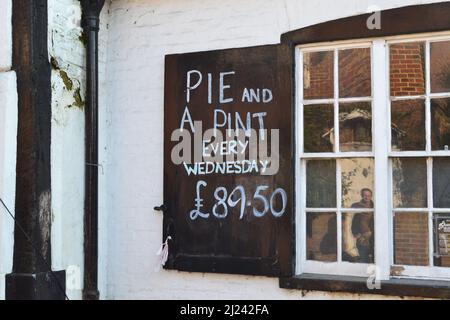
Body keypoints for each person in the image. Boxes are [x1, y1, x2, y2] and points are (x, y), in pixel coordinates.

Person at [349, 188, 374, 263]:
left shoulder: (375, 207)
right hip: (362, 236)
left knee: (375, 256)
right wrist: (357, 234)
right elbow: (352, 221)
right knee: (364, 256)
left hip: (373, 236)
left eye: (369, 196)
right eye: (365, 195)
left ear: (371, 196)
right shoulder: (356, 206)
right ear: (362, 196)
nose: (367, 197)